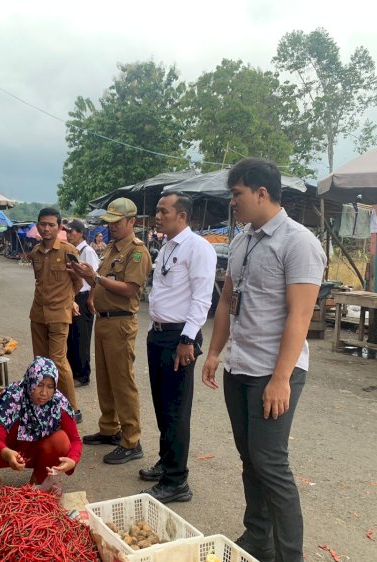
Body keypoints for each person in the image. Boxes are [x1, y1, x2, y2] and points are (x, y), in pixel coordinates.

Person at [201, 158, 325, 562]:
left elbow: (300, 315)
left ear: (261, 193)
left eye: (236, 194)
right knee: (249, 459)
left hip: (274, 372)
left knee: (271, 464)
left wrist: (281, 378)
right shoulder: (243, 240)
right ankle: (259, 538)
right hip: (240, 367)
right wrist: (216, 351)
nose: (232, 202)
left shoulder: (298, 242)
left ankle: (291, 555)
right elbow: (225, 301)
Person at [139, 193, 216, 503]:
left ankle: (177, 482)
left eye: (163, 211)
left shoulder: (199, 248)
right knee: (161, 405)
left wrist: (187, 339)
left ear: (182, 216)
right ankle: (166, 462)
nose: (158, 216)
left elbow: (202, 298)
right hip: (158, 335)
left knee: (175, 410)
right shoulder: (168, 246)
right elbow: (162, 294)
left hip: (179, 338)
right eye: (158, 210)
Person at [70, 198, 152, 465]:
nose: (111, 227)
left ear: (132, 223)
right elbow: (101, 280)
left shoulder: (136, 252)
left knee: (122, 382)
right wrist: (88, 279)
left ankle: (131, 440)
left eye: (117, 223)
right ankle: (109, 428)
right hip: (104, 320)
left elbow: (130, 289)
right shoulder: (112, 249)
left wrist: (95, 278)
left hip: (120, 322)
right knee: (105, 379)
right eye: (110, 223)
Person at [0, 356, 82, 489]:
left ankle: (38, 482)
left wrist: (73, 460)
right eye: (39, 385)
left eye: (50, 387)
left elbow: (75, 440)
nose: (44, 393)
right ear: (31, 381)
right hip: (5, 448)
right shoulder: (12, 397)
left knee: (61, 440)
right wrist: (7, 453)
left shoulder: (58, 403)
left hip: (36, 452)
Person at [28, 208, 82, 421]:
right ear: (38, 226)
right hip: (38, 314)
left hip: (59, 315)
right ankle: (46, 403)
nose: (47, 228)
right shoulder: (35, 253)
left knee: (58, 360)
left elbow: (78, 282)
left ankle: (72, 408)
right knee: (40, 362)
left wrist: (68, 302)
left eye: (51, 225)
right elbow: (38, 281)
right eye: (43, 224)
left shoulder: (69, 251)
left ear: (59, 227)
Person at [62, 220, 99, 388]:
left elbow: (95, 278)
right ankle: (72, 371)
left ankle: (83, 375)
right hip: (74, 296)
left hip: (84, 298)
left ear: (81, 233)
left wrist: (91, 299)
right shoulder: (73, 251)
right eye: (67, 232)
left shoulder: (88, 251)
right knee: (72, 337)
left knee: (82, 337)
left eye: (71, 232)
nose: (68, 235)